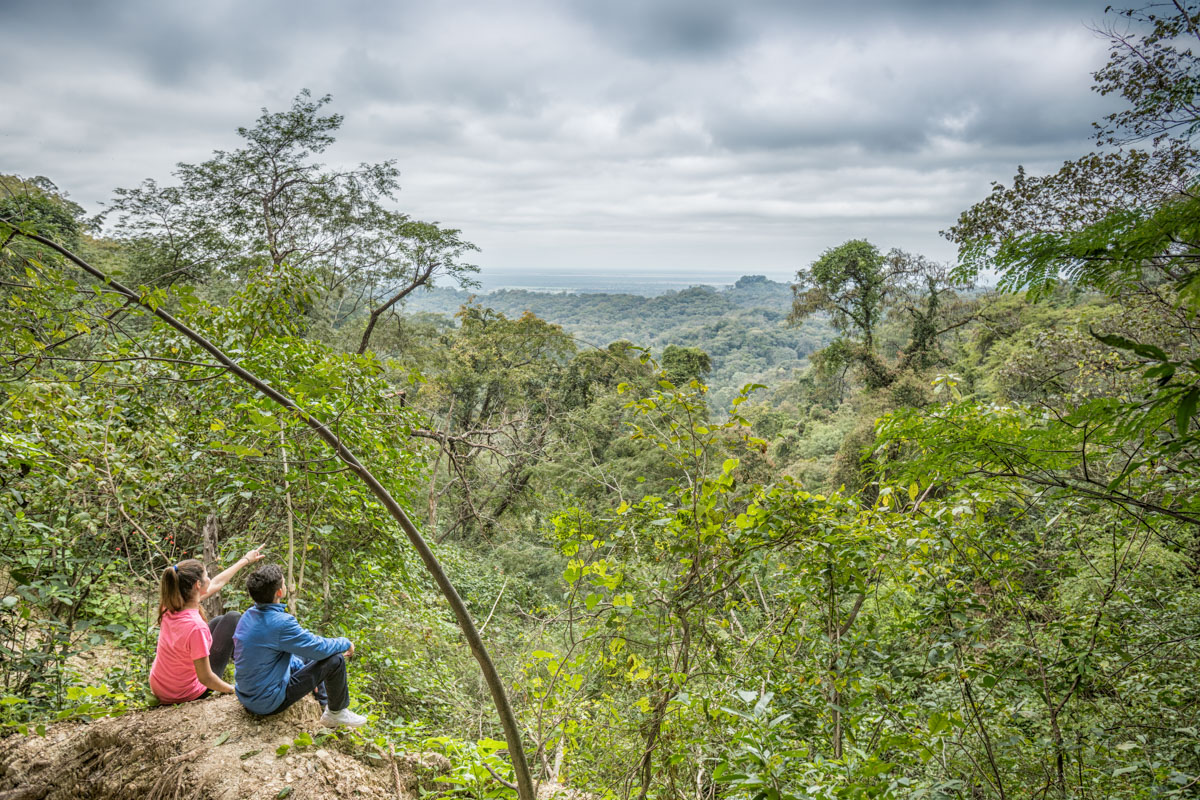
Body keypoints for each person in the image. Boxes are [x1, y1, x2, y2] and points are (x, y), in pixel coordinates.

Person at [232, 564, 366, 728]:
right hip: (267, 702)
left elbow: (270, 653)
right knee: (335, 659)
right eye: (284, 583)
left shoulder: (247, 616)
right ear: (279, 592)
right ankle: (336, 713)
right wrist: (345, 642)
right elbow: (319, 648)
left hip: (246, 695)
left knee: (302, 655)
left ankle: (323, 704)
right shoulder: (281, 623)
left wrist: (302, 669)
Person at [149, 547, 264, 704]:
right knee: (233, 618)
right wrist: (233, 690)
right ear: (198, 585)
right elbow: (205, 678)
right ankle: (254, 671)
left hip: (161, 687)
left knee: (220, 620)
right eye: (206, 575)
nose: (210, 579)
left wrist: (245, 560)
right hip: (184, 693)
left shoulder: (170, 605)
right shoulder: (195, 627)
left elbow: (218, 582)